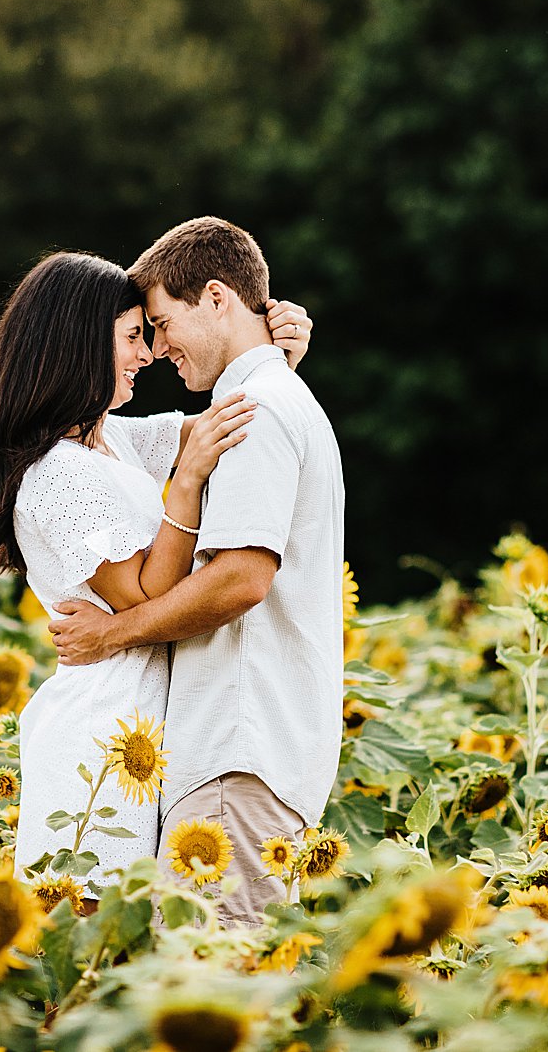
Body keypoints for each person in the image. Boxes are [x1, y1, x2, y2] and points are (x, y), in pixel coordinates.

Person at [0, 250, 312, 897]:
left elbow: (222, 423)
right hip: (99, 738)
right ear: (76, 345)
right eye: (131, 336)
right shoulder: (58, 473)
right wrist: (184, 485)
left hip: (144, 735)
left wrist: (270, 352)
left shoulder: (111, 440)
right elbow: (148, 593)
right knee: (89, 958)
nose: (148, 353)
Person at [50, 217, 345, 927]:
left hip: (234, 755)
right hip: (248, 755)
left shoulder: (256, 411)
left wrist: (113, 633)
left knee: (216, 989)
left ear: (217, 298)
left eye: (161, 323)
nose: (156, 348)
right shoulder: (265, 399)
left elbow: (241, 578)